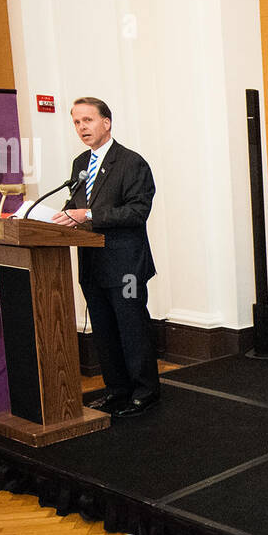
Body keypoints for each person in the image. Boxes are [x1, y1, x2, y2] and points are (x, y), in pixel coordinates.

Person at [51, 97, 159, 417]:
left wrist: (89, 214)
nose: (81, 127)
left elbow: (137, 211)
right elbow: (75, 204)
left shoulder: (131, 162)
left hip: (125, 265)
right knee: (104, 331)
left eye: (87, 120)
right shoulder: (80, 163)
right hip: (93, 262)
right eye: (76, 122)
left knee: (131, 329)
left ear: (106, 123)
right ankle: (116, 390)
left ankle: (145, 391)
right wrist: (62, 217)